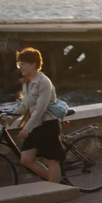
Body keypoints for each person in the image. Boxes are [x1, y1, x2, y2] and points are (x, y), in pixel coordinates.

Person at [11, 47, 63, 185]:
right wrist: (10, 117)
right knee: (26, 159)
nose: (20, 67)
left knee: (51, 160)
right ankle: (56, 182)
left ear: (33, 64)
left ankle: (54, 193)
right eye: (19, 64)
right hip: (35, 125)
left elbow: (40, 110)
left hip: (47, 125)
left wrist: (26, 129)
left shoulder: (43, 82)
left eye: (23, 64)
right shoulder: (27, 82)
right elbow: (25, 106)